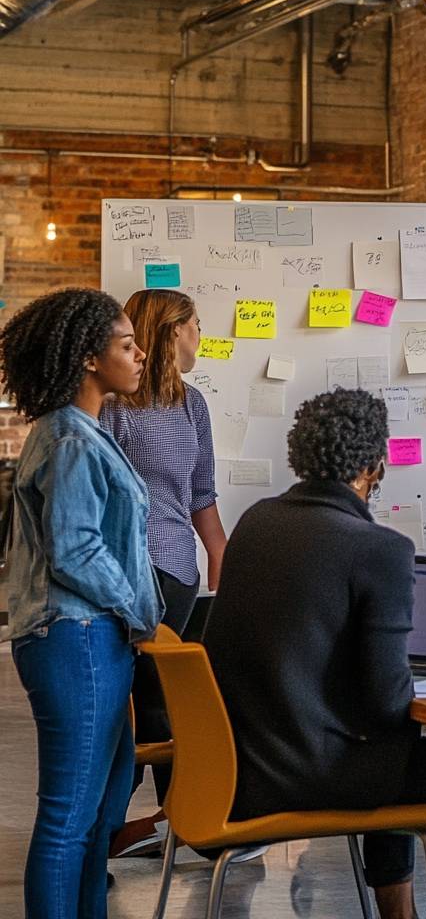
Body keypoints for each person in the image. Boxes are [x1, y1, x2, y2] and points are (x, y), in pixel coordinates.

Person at [204, 389, 426, 919]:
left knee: (393, 749)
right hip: (308, 774)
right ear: (374, 468)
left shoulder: (255, 522)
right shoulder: (381, 548)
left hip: (236, 768)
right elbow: (386, 703)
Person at [0, 288, 163, 919]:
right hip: (76, 637)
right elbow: (75, 549)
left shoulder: (83, 431)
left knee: (100, 815)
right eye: (127, 345)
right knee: (69, 818)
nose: (140, 355)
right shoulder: (70, 437)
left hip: (93, 637)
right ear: (90, 359)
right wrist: (138, 611)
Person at [101, 289, 227, 857]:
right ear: (173, 330)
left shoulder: (192, 404)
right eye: (196, 324)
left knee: (163, 702)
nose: (201, 336)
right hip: (129, 572)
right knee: (144, 704)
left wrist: (219, 554)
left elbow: (201, 492)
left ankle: (170, 825)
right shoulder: (114, 403)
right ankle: (169, 827)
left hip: (178, 574)